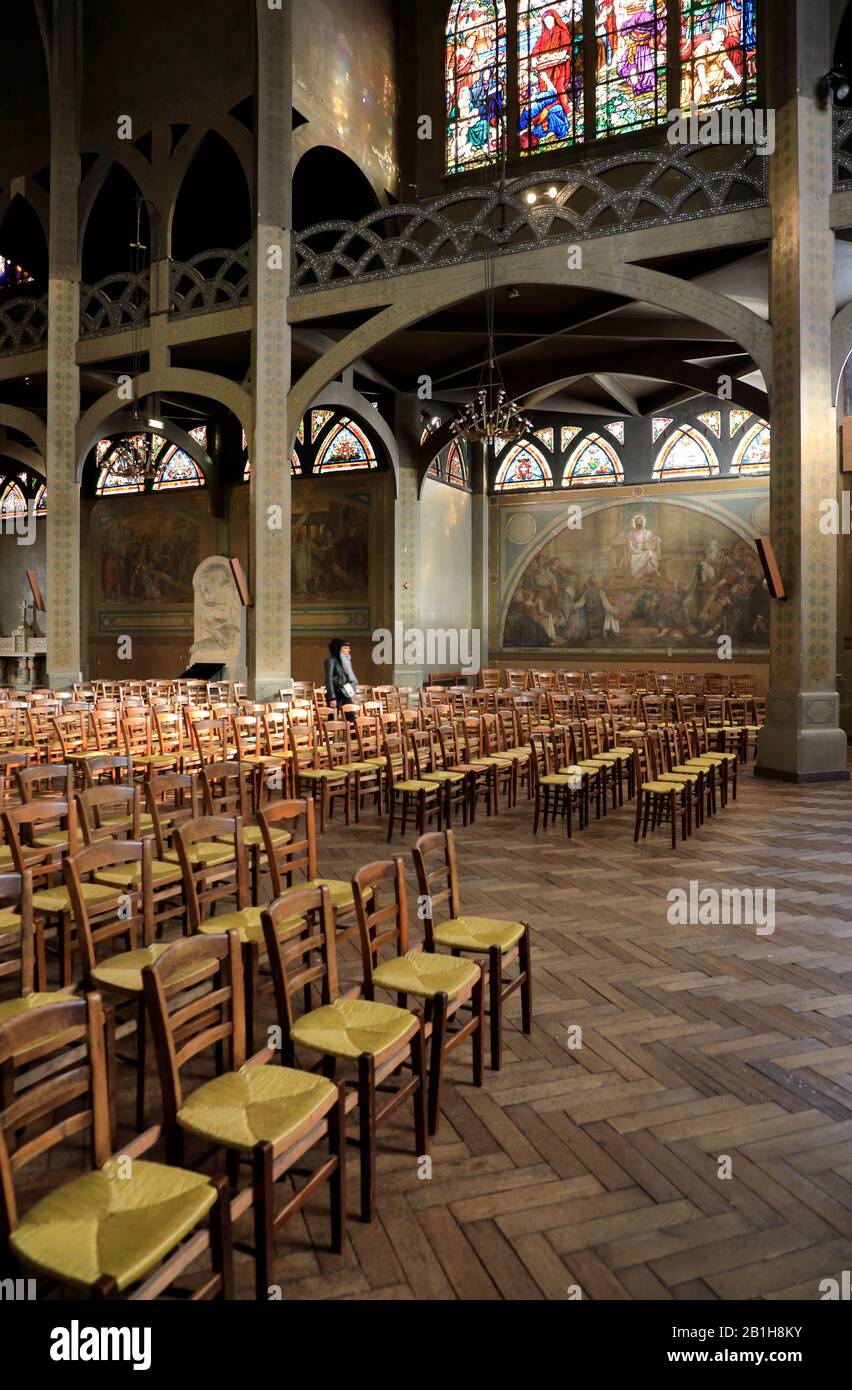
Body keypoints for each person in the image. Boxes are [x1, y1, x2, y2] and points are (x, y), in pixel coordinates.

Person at [324, 637, 359, 719]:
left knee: (351, 718)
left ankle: (352, 732)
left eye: (349, 648)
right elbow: (328, 680)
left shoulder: (345, 661)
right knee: (333, 719)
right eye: (345, 648)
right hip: (336, 694)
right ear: (338, 648)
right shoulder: (331, 661)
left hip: (345, 692)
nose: (348, 650)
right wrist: (332, 697)